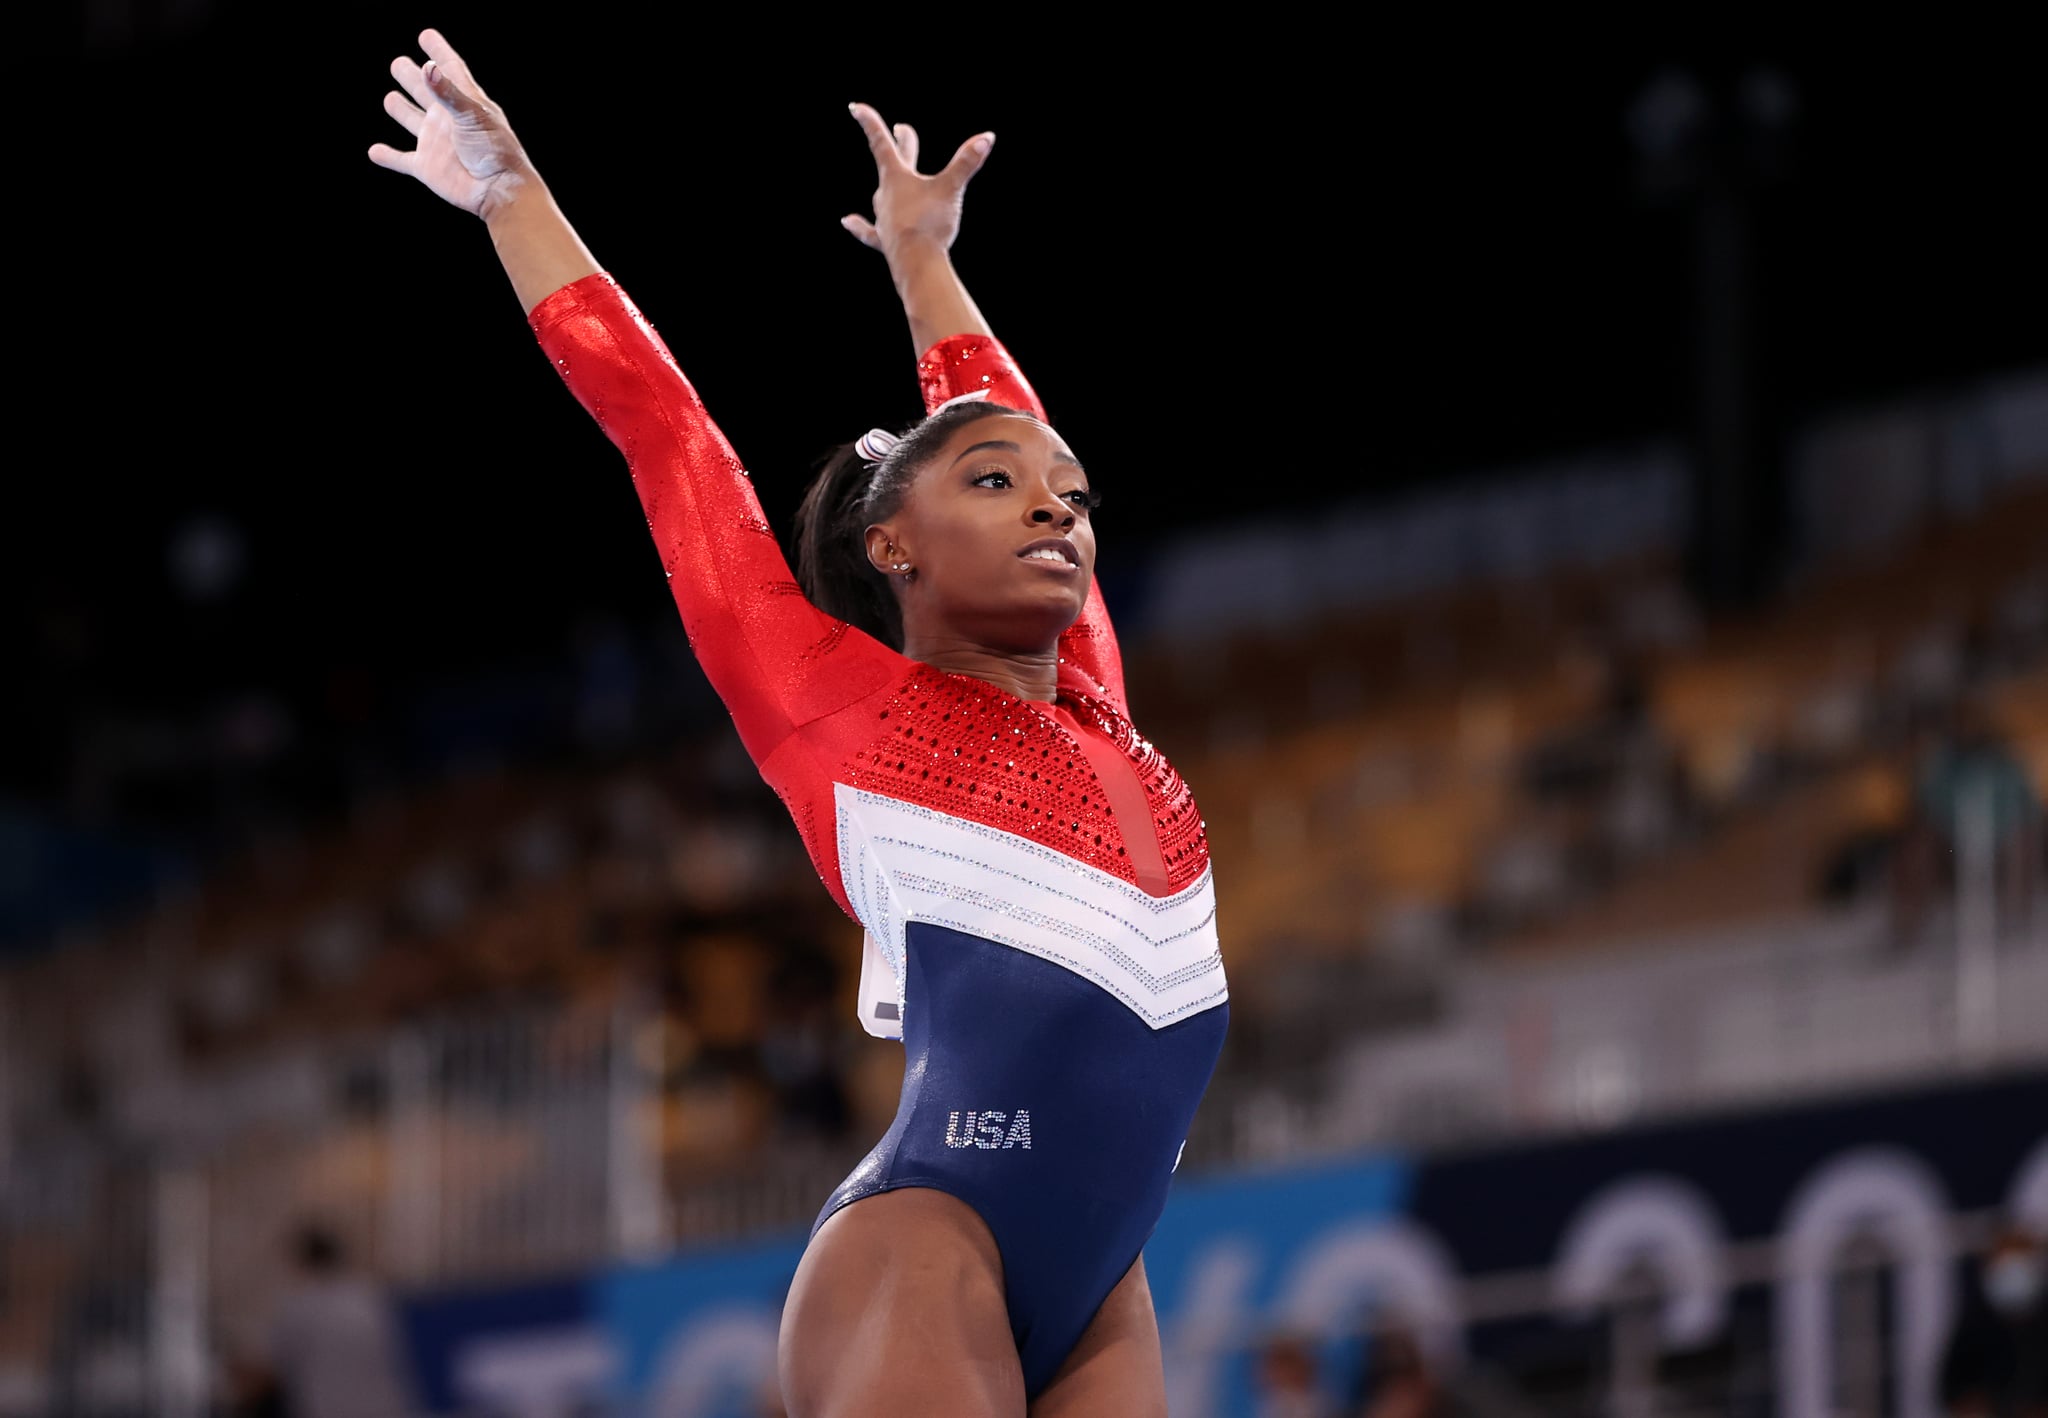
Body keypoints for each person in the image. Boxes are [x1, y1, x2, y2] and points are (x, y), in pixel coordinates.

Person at [367, 31, 1229, 1416]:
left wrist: (922, 260)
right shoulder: (832, 705)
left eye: (1070, 492)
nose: (1058, 508)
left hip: (1105, 1281)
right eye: (1004, 485)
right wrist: (515, 197)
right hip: (925, 1237)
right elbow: (670, 438)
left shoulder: (1097, 703)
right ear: (892, 548)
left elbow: (1012, 420)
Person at [265, 1224, 417, 1418]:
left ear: (302, 1262)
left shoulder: (299, 1308)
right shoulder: (371, 1297)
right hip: (385, 1407)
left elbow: (271, 1368)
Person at [1941, 1223, 2048, 1418]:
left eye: (2020, 1264)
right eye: (2006, 1266)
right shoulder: (1976, 1322)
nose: (2014, 1275)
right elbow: (1951, 1390)